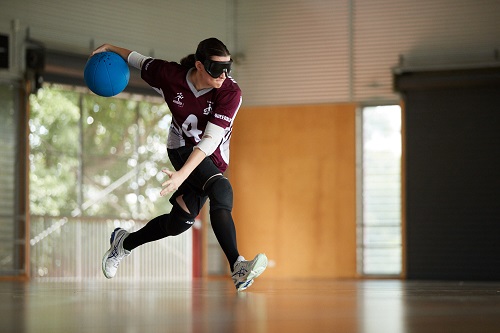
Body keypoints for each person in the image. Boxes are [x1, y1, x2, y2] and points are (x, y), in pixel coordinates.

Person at [93, 38, 267, 291]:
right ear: (199, 65)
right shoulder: (169, 75)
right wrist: (110, 48)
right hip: (181, 149)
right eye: (217, 69)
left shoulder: (231, 93)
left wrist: (181, 176)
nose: (224, 75)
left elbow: (210, 140)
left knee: (179, 224)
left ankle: (124, 242)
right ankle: (238, 267)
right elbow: (138, 60)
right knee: (222, 190)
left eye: (228, 68)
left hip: (212, 156)